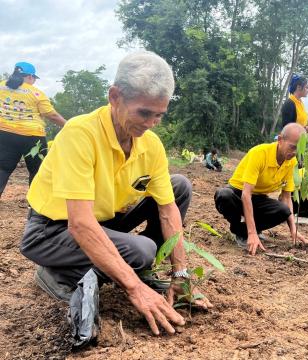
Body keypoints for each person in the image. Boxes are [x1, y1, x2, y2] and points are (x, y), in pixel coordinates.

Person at [20, 52, 211, 336]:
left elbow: (168, 210)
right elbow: (80, 223)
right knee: (141, 250)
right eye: (144, 112)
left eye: (159, 115)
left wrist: (181, 274)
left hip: (103, 221)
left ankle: (123, 266)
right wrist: (135, 288)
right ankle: (55, 274)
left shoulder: (150, 144)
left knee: (179, 185)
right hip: (51, 230)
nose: (151, 123)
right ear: (115, 96)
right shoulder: (80, 133)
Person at [214, 123, 308, 255]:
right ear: (280, 140)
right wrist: (251, 232)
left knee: (283, 211)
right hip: (238, 193)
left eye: (298, 149)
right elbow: (246, 195)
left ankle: (246, 231)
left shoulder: (291, 162)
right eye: (292, 147)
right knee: (224, 195)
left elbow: (286, 197)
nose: (294, 153)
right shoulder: (259, 153)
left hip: (259, 198)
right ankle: (243, 232)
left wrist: (294, 229)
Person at [0, 62, 66, 197]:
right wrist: (70, 124)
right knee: (37, 172)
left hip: (4, 134)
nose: (34, 81)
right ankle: (35, 209)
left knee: (2, 169)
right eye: (34, 78)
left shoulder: (1, 85)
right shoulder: (36, 93)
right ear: (30, 76)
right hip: (32, 138)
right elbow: (51, 115)